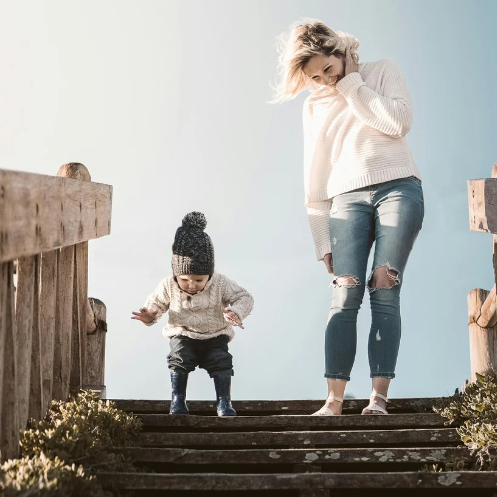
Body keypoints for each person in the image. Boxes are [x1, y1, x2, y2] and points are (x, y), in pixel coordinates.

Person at [273, 19, 424, 415]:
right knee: (344, 293)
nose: (325, 80)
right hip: (345, 200)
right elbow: (315, 173)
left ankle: (378, 399)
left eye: (328, 68)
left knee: (384, 287)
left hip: (399, 188)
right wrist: (321, 237)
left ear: (340, 51)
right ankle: (334, 401)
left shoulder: (381, 71)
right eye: (315, 76)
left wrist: (353, 84)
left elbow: (398, 122)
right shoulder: (314, 105)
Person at [132, 212, 254, 416]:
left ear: (209, 274)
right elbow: (156, 304)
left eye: (199, 280)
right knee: (179, 357)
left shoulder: (221, 283)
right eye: (185, 279)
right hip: (183, 333)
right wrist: (150, 316)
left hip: (215, 335)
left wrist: (236, 312)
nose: (191, 284)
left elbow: (245, 297)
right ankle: (178, 400)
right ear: (176, 274)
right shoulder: (168, 285)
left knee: (221, 360)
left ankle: (224, 401)